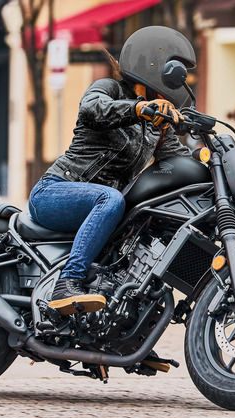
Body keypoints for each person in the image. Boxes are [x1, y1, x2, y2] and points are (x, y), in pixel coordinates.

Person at [27, 26, 198, 316]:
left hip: (103, 205)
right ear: (154, 65)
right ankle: (67, 283)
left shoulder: (157, 126)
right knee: (111, 199)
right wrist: (139, 108)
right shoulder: (108, 89)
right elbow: (93, 110)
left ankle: (131, 326)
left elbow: (181, 162)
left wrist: (219, 165)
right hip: (54, 191)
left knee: (150, 223)